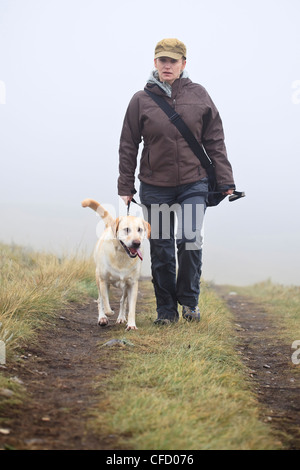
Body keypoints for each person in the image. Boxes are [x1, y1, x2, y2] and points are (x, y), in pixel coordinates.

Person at [118, 38, 235, 325]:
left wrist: (225, 179)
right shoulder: (141, 100)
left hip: (194, 183)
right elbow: (128, 144)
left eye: (173, 60)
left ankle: (190, 302)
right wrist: (125, 186)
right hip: (156, 185)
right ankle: (166, 311)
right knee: (161, 246)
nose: (167, 65)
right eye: (162, 60)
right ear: (155, 63)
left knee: (190, 239)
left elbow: (215, 140)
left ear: (184, 63)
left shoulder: (199, 95)